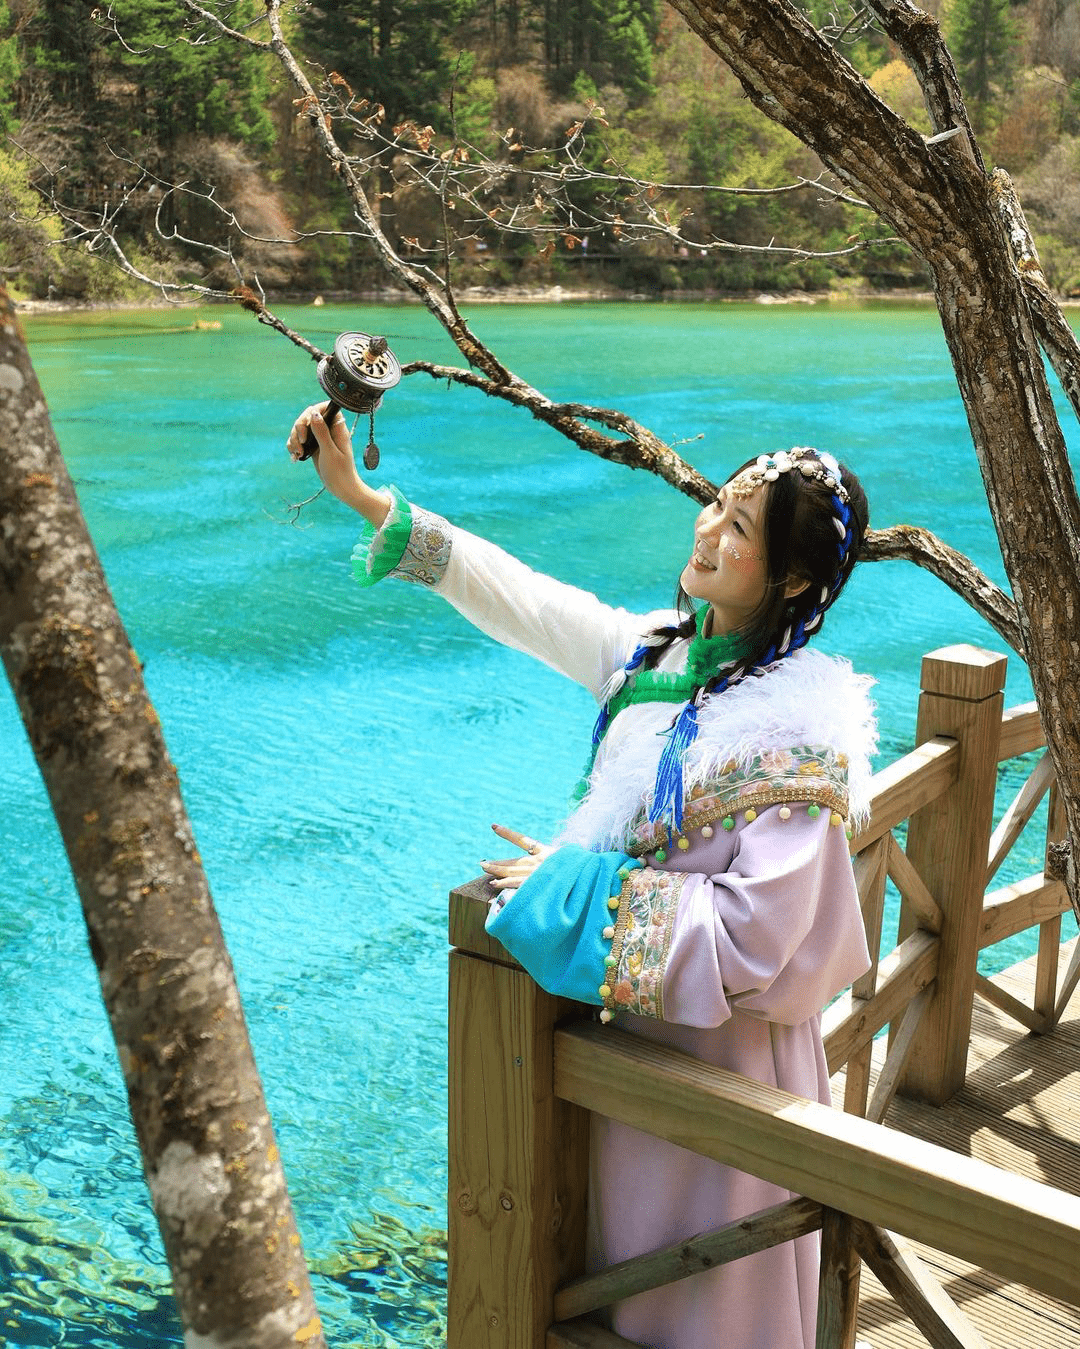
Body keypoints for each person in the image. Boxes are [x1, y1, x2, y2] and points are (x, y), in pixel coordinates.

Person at [287, 405, 877, 1349]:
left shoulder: (797, 738)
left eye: (739, 528)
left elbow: (750, 942)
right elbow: (515, 595)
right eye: (716, 505)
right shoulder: (653, 653)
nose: (709, 531)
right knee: (614, 1289)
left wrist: (567, 887)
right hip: (627, 1056)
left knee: (710, 1298)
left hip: (727, 1075)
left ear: (795, 578)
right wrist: (361, 496)